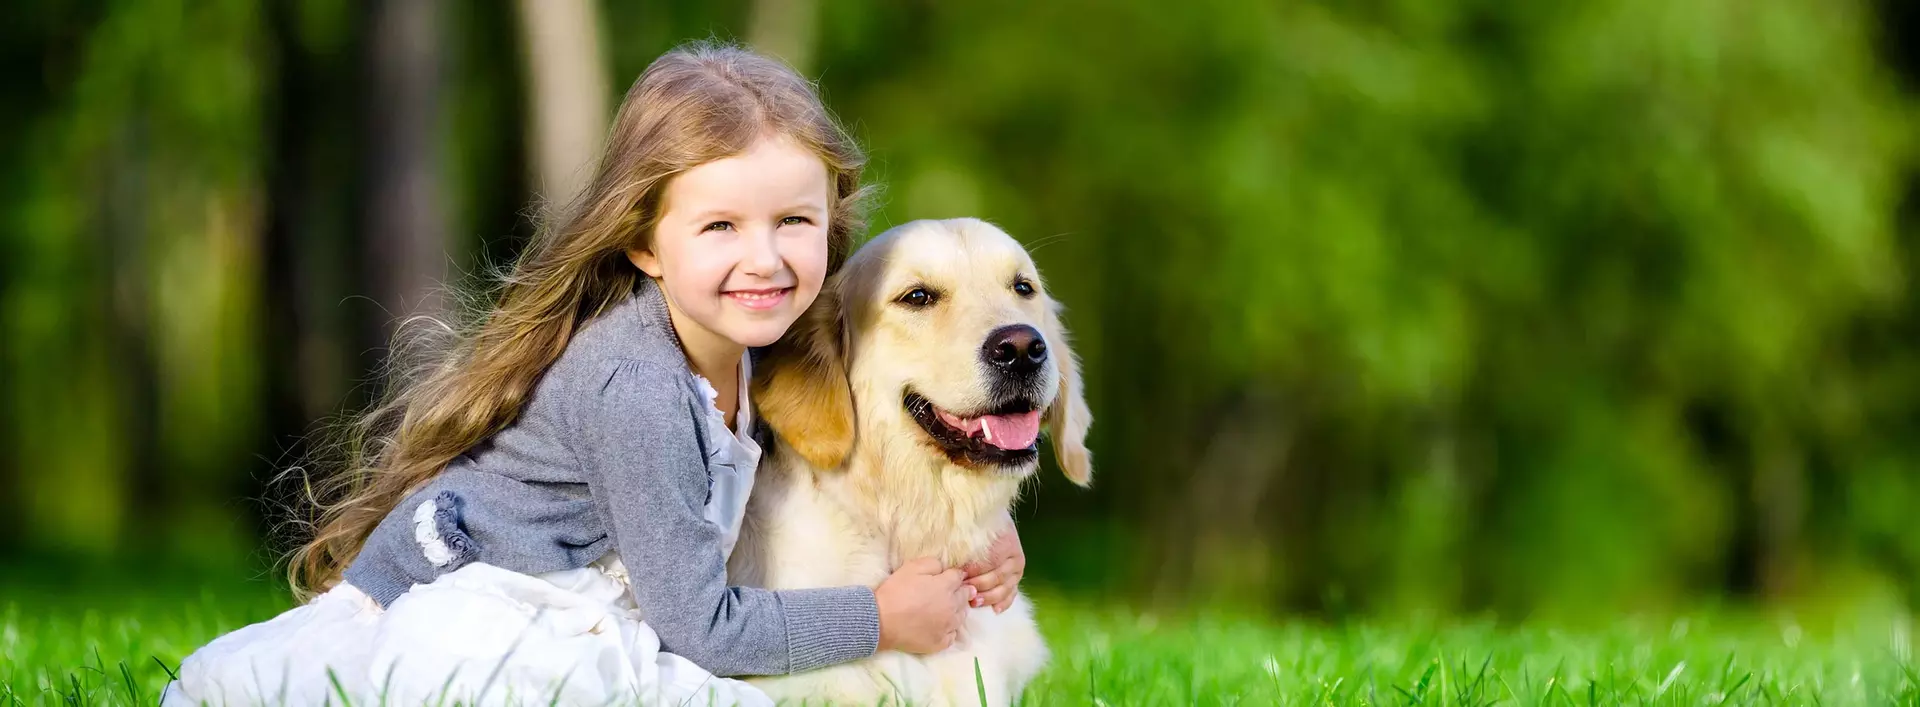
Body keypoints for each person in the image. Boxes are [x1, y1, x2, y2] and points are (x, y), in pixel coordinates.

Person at [162, 42, 1026, 707]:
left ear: (828, 226)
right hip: (497, 612)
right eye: (720, 226)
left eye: (792, 219)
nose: (762, 259)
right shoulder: (636, 385)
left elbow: (856, 470)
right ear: (646, 242)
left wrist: (974, 538)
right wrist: (877, 617)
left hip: (598, 609)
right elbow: (704, 629)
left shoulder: (759, 345)